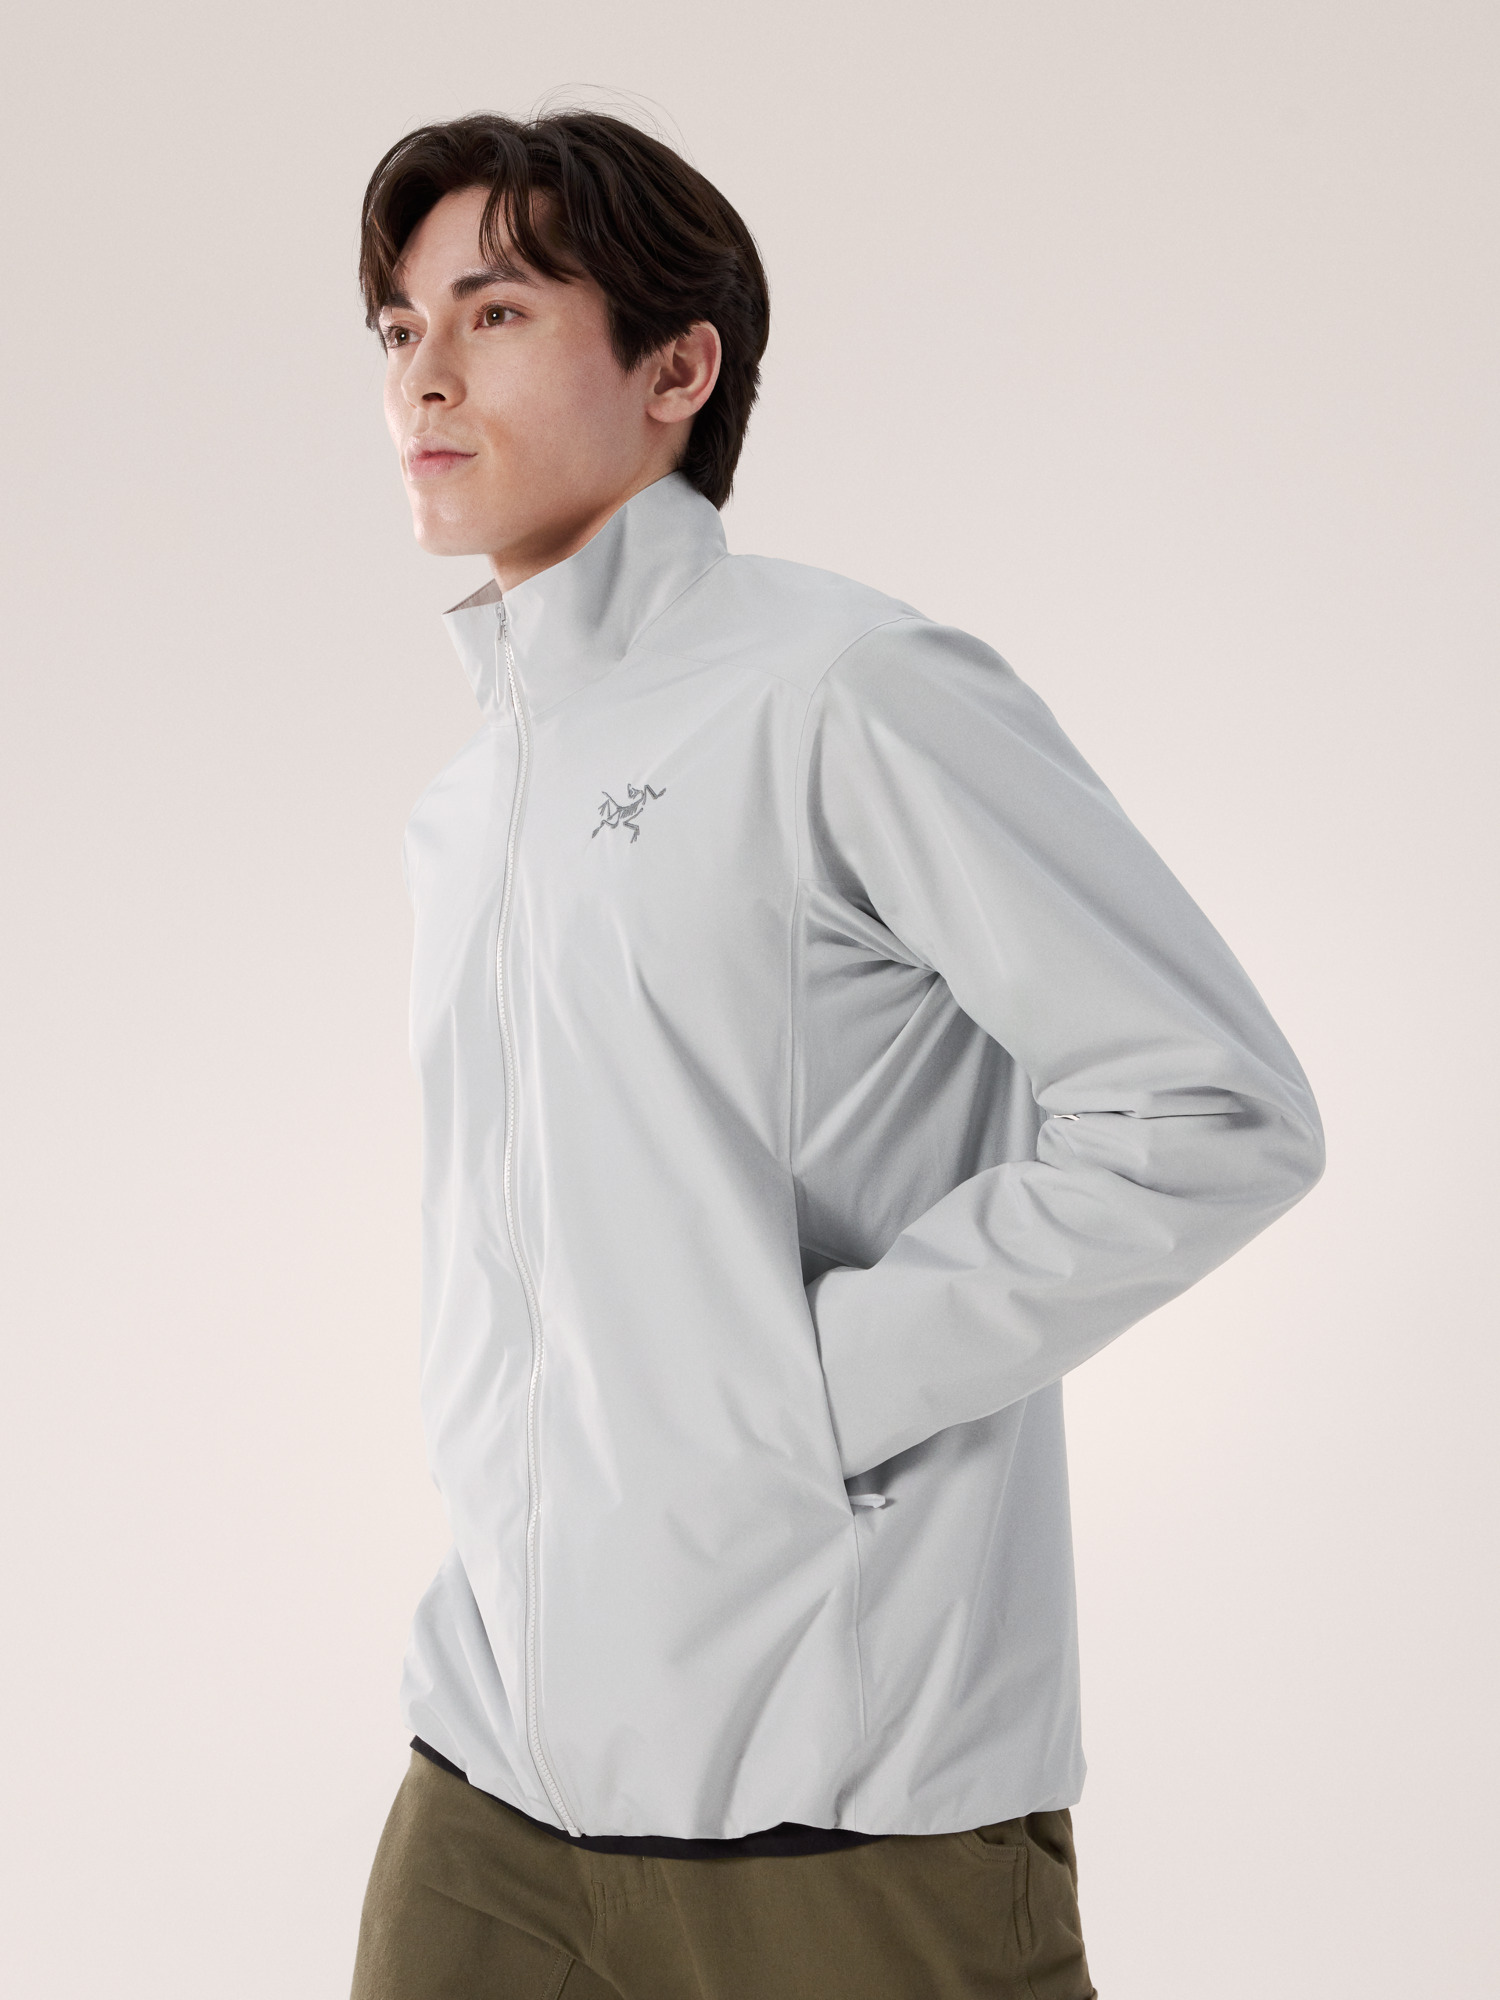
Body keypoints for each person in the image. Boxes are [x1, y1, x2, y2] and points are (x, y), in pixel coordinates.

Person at [348, 110, 1324, 2000]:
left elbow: (1212, 1110)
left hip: (834, 1805)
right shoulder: (469, 802)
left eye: (495, 310)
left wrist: (788, 1401)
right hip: (489, 1782)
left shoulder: (846, 688)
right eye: (399, 328)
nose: (424, 375)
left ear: (677, 371)